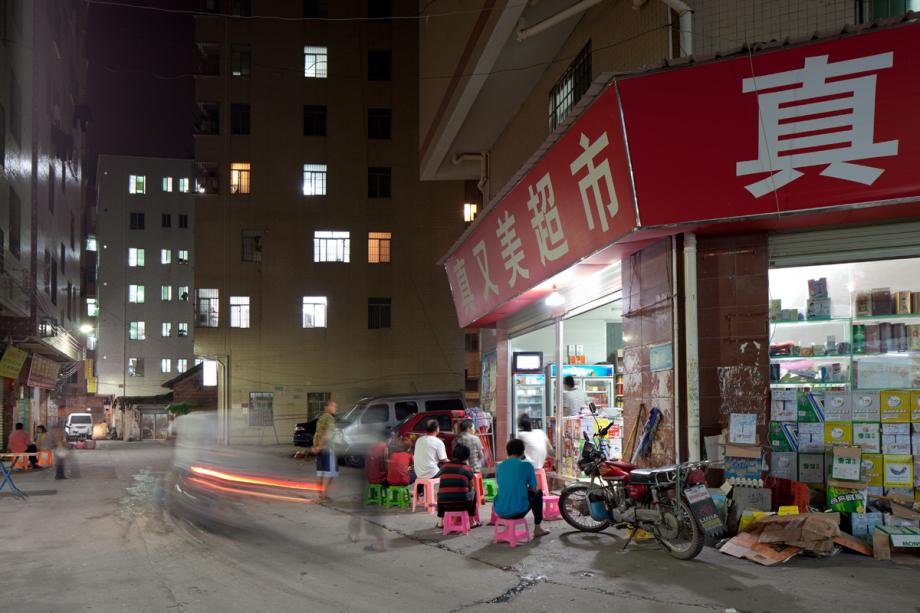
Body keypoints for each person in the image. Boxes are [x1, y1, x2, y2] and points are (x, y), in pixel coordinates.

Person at [494, 438, 550, 539]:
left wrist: (520, 488)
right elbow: (533, 489)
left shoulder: (499, 466)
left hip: (499, 510)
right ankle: (537, 528)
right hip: (517, 511)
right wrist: (523, 488)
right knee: (538, 493)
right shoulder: (527, 465)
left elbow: (501, 487)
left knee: (510, 494)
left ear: (507, 451)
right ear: (522, 452)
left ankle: (508, 528)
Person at [434, 443, 480, 529]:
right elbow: (470, 487)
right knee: (474, 492)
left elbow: (439, 479)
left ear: (453, 454)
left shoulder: (444, 467)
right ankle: (471, 521)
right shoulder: (467, 468)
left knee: (441, 494)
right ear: (467, 457)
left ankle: (441, 522)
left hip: (444, 506)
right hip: (462, 505)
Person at [312, 399, 338, 500]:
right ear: (327, 407)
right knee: (330, 473)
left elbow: (316, 434)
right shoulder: (330, 418)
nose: (335, 409)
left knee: (320, 472)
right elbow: (327, 434)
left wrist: (315, 446)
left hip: (319, 449)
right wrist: (320, 446)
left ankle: (320, 494)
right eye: (333, 406)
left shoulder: (321, 418)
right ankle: (323, 495)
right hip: (327, 448)